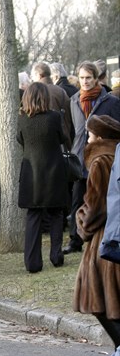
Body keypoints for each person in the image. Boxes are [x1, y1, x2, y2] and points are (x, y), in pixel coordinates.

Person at [73, 115, 120, 356]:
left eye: (90, 134)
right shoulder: (116, 155)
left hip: (105, 238)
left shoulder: (101, 160)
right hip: (114, 232)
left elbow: (96, 206)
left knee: (101, 301)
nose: (87, 138)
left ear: (99, 137)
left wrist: (81, 223)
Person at [64, 61, 120, 255]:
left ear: (96, 78)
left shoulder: (111, 101)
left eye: (88, 78)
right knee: (77, 199)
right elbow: (72, 130)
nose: (85, 81)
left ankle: (105, 235)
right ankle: (75, 240)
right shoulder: (73, 100)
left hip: (103, 158)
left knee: (103, 198)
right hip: (79, 157)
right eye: (81, 78)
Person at [17, 82, 66, 272]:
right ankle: (56, 255)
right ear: (45, 97)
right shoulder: (54, 117)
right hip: (53, 170)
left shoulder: (22, 118)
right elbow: (61, 138)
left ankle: (32, 262)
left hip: (31, 173)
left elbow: (19, 139)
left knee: (33, 216)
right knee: (55, 213)